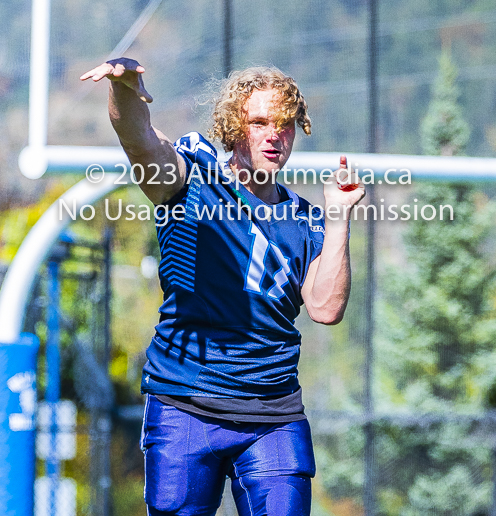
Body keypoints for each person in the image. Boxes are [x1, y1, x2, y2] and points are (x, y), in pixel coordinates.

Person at [81, 57, 365, 516]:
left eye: (285, 124)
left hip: (273, 412)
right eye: (259, 122)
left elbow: (325, 307)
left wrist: (339, 218)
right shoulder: (192, 179)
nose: (275, 134)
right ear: (234, 125)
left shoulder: (308, 219)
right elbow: (139, 142)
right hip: (186, 402)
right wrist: (125, 91)